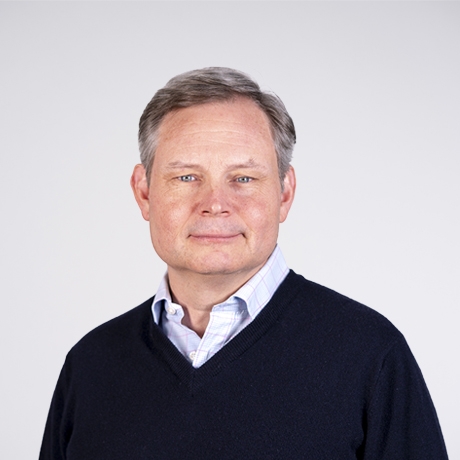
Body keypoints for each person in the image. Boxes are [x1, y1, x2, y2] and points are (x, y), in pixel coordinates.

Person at [40, 67, 448, 459]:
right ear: (144, 192)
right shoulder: (90, 366)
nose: (215, 204)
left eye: (244, 178)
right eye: (186, 177)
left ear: (285, 193)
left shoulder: (369, 356)